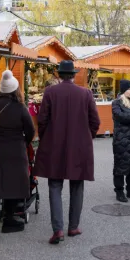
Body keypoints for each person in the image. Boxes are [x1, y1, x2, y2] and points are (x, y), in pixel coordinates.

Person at [33, 60, 100, 244]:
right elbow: (95, 121)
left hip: (55, 145)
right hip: (79, 147)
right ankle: (73, 227)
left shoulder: (50, 92)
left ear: (59, 75)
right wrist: (87, 137)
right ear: (73, 75)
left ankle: (58, 230)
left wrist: (47, 138)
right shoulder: (85, 93)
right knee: (77, 185)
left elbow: (42, 120)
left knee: (55, 185)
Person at [0, 70, 35, 240]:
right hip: (14, 152)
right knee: (12, 185)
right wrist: (23, 142)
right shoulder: (20, 108)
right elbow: (30, 131)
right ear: (15, 90)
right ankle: (9, 220)